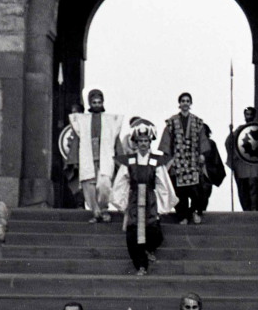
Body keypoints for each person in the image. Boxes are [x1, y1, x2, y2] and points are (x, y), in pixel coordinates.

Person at [110, 120, 177, 276]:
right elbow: (121, 181)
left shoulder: (155, 161)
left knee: (153, 229)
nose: (143, 144)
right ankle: (141, 266)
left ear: (150, 142)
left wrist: (161, 204)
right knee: (133, 233)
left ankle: (149, 249)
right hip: (134, 199)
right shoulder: (130, 160)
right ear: (136, 142)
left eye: (146, 141)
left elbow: (162, 182)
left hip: (150, 198)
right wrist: (122, 202)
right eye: (140, 141)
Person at [68, 90, 126, 223]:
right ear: (90, 104)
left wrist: (120, 157)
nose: (97, 105)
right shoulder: (82, 121)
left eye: (99, 102)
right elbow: (77, 139)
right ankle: (95, 212)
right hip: (88, 157)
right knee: (89, 185)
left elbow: (115, 139)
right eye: (94, 103)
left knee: (105, 184)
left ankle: (104, 209)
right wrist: (74, 159)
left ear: (103, 103)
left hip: (105, 157)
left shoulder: (111, 121)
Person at [159, 92, 210, 224]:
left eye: (187, 101)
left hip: (192, 159)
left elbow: (202, 139)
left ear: (190, 103)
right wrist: (168, 157)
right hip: (178, 160)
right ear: (179, 104)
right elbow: (166, 141)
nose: (185, 103)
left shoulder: (197, 122)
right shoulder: (172, 122)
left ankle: (194, 211)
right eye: (183, 101)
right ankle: (182, 216)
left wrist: (202, 154)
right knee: (179, 190)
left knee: (196, 189)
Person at [225, 106, 258, 211]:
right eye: (247, 114)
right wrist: (230, 133)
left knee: (254, 187)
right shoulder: (240, 130)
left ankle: (254, 210)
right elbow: (229, 143)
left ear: (254, 115)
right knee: (243, 189)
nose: (248, 116)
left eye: (250, 114)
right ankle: (247, 210)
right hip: (242, 164)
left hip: (254, 163)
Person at [198, 125, 225, 213]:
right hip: (193, 173)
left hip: (206, 173)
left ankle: (200, 212)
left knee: (205, 194)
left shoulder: (210, 143)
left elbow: (216, 160)